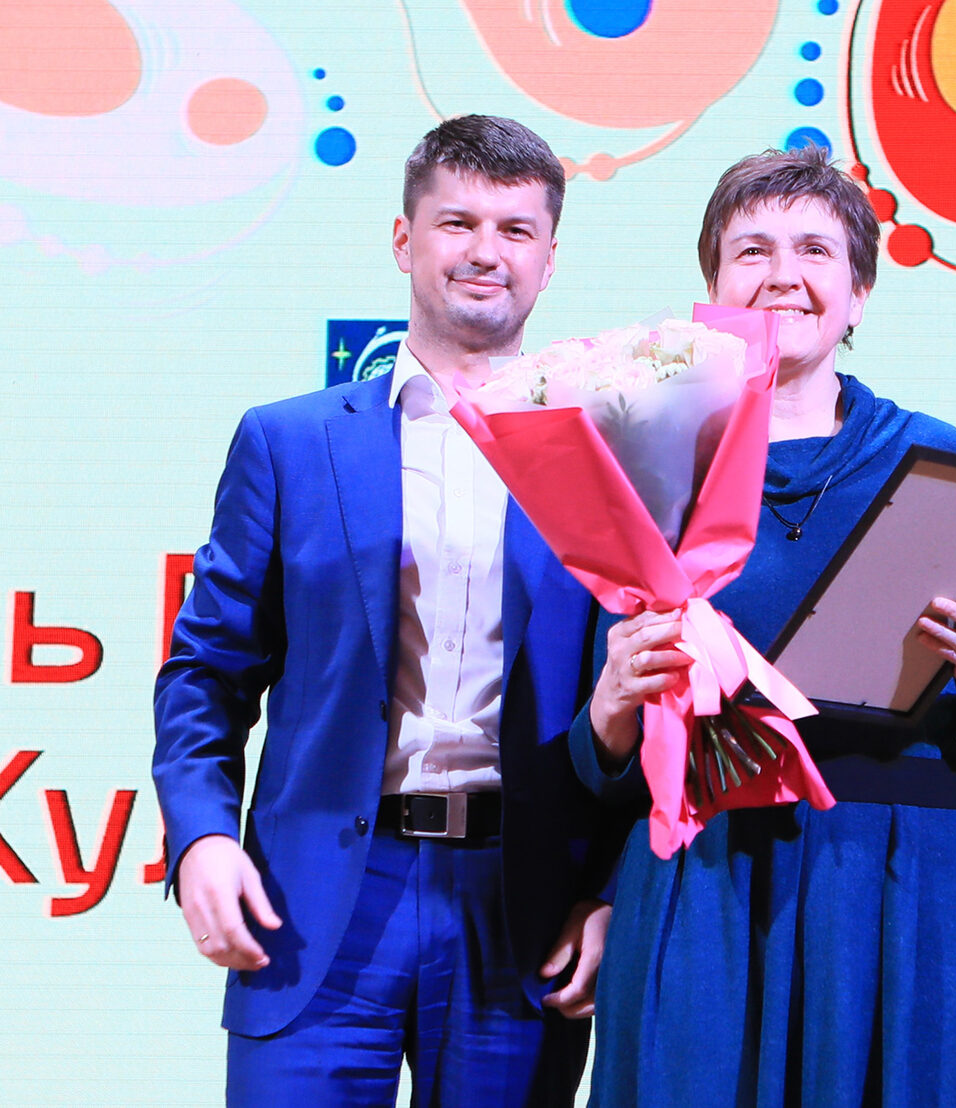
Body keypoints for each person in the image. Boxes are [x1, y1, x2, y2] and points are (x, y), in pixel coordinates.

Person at [153, 115, 621, 1107]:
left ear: (549, 261)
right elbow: (206, 674)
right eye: (457, 223)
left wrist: (616, 890)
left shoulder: (609, 457)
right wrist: (201, 835)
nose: (485, 251)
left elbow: (642, 701)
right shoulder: (290, 444)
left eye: (515, 229)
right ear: (405, 241)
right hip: (315, 902)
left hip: (522, 907)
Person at [571, 145, 956, 1107]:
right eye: (751, 250)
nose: (782, 274)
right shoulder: (649, 464)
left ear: (858, 295)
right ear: (712, 289)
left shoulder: (929, 453)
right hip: (709, 883)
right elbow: (598, 757)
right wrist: (614, 702)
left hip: (904, 881)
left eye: (815, 251)